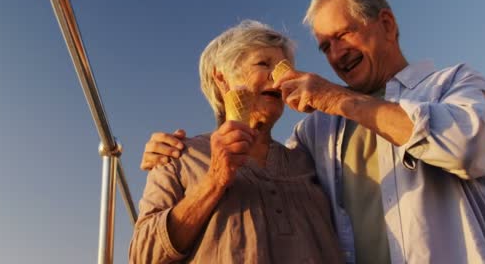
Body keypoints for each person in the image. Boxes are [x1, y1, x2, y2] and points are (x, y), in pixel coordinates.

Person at [140, 0, 485, 264]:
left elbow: (465, 147)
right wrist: (182, 157)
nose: (335, 54)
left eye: (343, 35)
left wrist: (335, 97)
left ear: (387, 25)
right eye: (325, 46)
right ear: (222, 80)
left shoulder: (452, 85)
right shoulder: (316, 133)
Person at [129, 20, 343, 263]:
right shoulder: (179, 155)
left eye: (285, 69)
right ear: (222, 78)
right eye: (263, 64)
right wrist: (214, 180)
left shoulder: (307, 158)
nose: (280, 78)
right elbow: (142, 255)